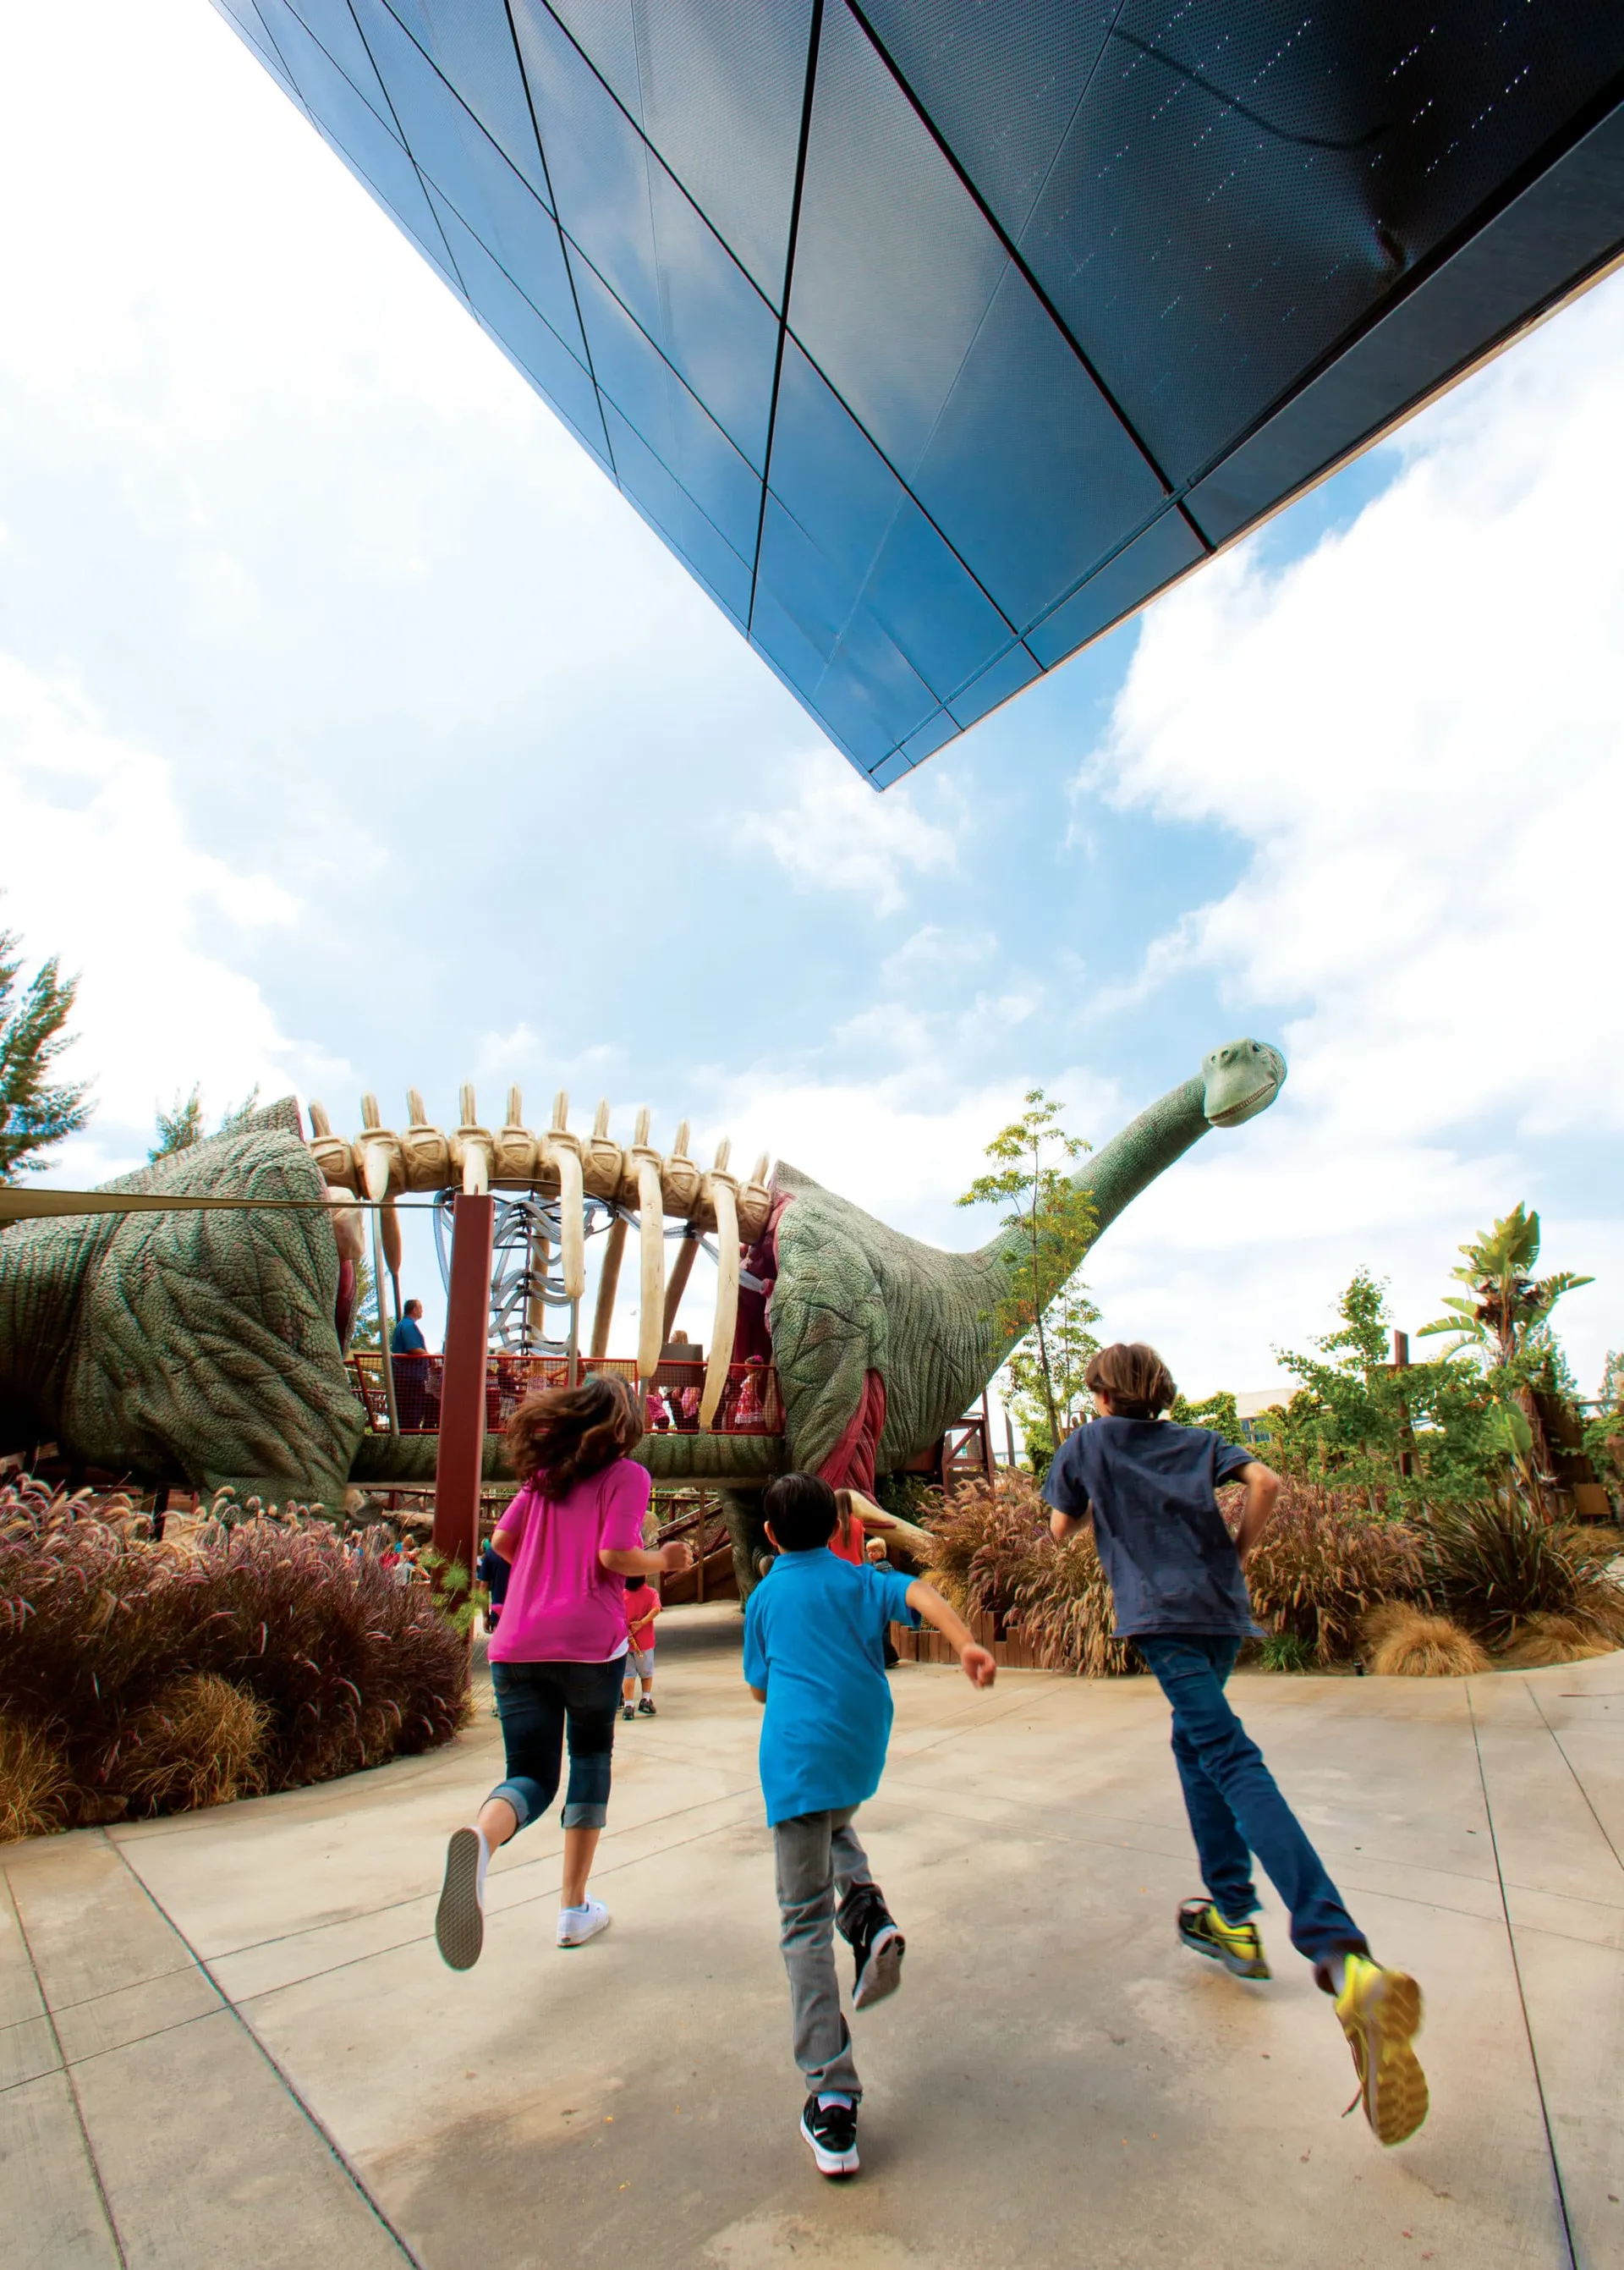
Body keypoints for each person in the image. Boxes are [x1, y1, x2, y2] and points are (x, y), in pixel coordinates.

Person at [1043, 1342, 1428, 2148]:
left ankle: (1339, 1952)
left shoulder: (1089, 1442)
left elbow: (1059, 1527)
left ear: (1105, 1393)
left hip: (1161, 1618)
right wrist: (1239, 1550)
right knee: (1196, 1748)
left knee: (1228, 1757)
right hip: (1221, 1613)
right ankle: (1233, 1916)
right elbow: (1266, 1482)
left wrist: (1083, 1511)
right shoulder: (1196, 1440)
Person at [743, 1470, 996, 2179]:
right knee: (833, 1822)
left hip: (796, 1758)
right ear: (836, 1527)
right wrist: (966, 1642)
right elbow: (918, 1591)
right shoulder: (858, 1578)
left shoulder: (764, 1597)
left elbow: (759, 1684)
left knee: (800, 1923)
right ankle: (866, 1909)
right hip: (859, 1750)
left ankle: (832, 2097)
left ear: (769, 1535)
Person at [435, 1375, 689, 1971]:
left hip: (517, 1640)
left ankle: (482, 1837)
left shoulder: (543, 1476)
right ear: (625, 1425)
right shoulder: (628, 1475)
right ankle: (573, 1907)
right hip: (586, 1644)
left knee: (529, 1774)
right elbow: (613, 1556)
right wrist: (664, 1558)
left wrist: (542, 1579)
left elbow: (501, 1541)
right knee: (590, 1760)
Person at [621, 1574, 661, 1718]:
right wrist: (642, 1623)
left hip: (625, 1642)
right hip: (645, 1643)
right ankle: (645, 1699)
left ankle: (628, 1706)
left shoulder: (621, 1594)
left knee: (628, 1674)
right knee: (647, 1672)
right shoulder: (651, 1593)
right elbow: (656, 1609)